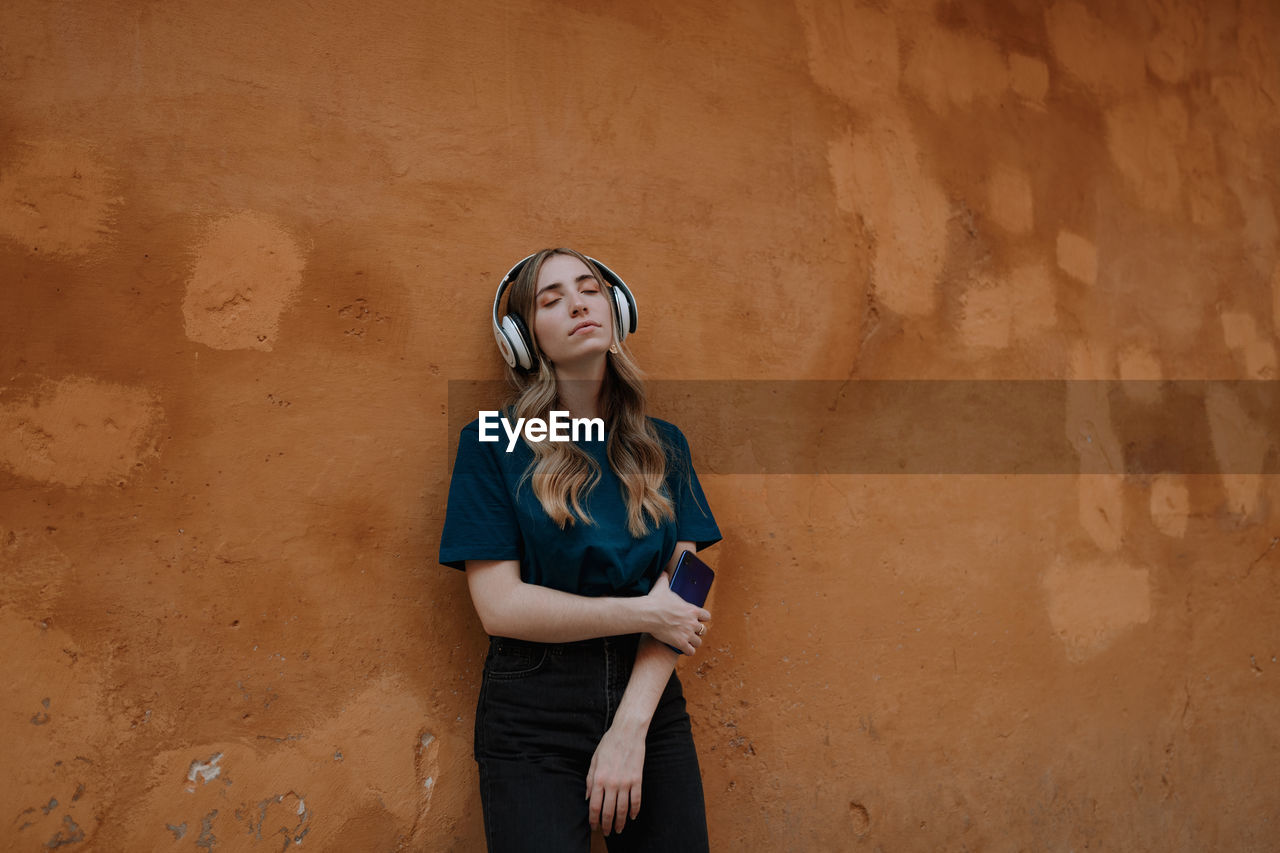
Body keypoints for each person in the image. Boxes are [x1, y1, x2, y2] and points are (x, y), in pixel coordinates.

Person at [439, 248, 722, 852]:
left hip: (650, 698)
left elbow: (691, 576)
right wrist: (644, 611)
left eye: (589, 289)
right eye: (550, 299)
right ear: (524, 340)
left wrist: (632, 725)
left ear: (616, 310)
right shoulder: (491, 441)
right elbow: (500, 607)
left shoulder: (663, 446)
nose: (577, 303)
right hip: (533, 710)